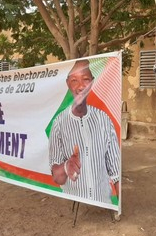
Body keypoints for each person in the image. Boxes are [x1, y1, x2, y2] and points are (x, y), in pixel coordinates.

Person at [48, 59, 120, 205]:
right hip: (74, 198)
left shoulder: (103, 119)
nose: (81, 86)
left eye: (85, 79)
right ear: (68, 84)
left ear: (92, 82)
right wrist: (67, 166)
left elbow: (116, 171)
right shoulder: (59, 124)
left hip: (103, 200)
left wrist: (118, 206)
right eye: (74, 80)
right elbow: (57, 178)